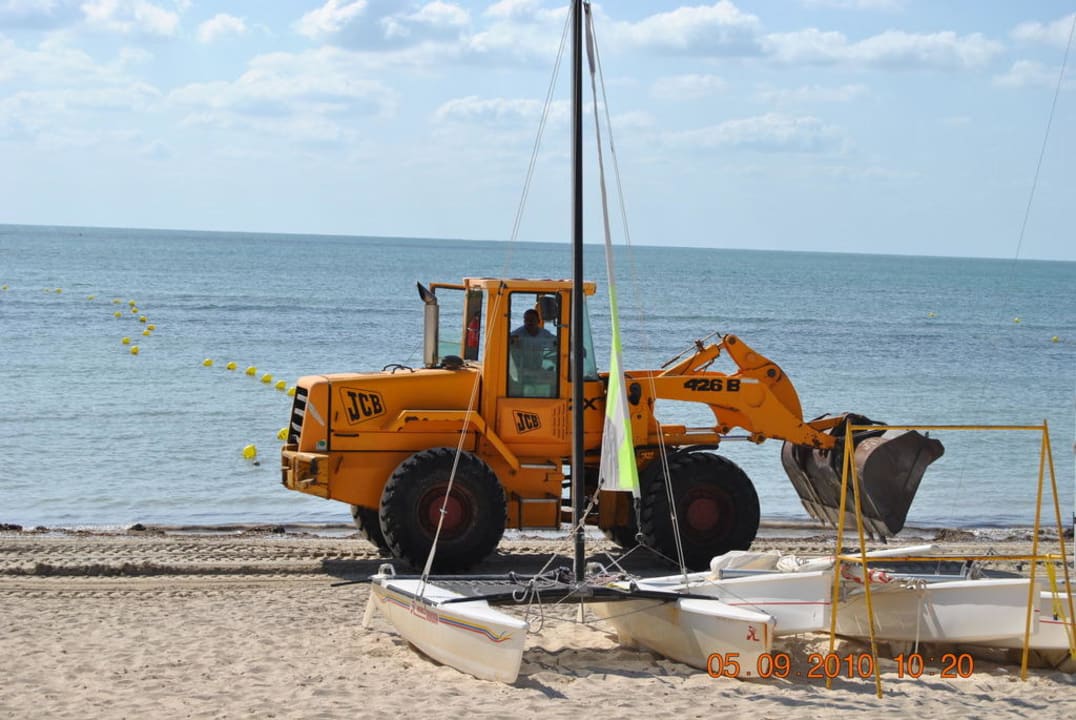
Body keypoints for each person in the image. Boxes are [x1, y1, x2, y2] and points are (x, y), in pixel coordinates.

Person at [509, 308, 555, 393]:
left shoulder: (544, 334)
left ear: (538, 321)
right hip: (520, 371)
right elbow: (507, 343)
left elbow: (557, 343)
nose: (529, 322)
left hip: (537, 369)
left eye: (532, 320)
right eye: (526, 320)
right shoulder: (517, 334)